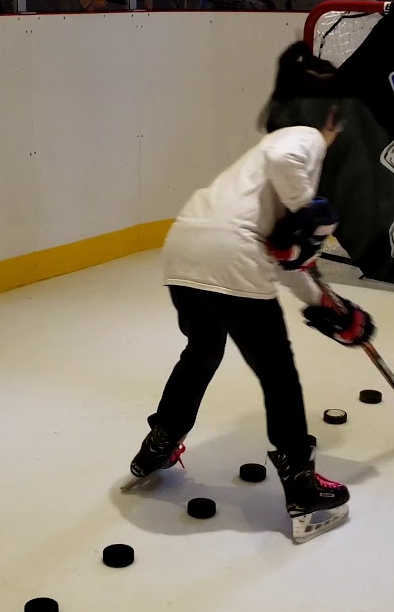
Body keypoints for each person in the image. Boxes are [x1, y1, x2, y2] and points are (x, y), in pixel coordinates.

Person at [126, 49, 375, 544]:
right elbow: (286, 234)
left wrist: (325, 304)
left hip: (184, 251)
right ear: (329, 114)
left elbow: (285, 253)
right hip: (231, 257)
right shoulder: (300, 141)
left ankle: (160, 441)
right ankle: (303, 489)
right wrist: (311, 210)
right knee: (278, 373)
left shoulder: (258, 156)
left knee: (202, 350)